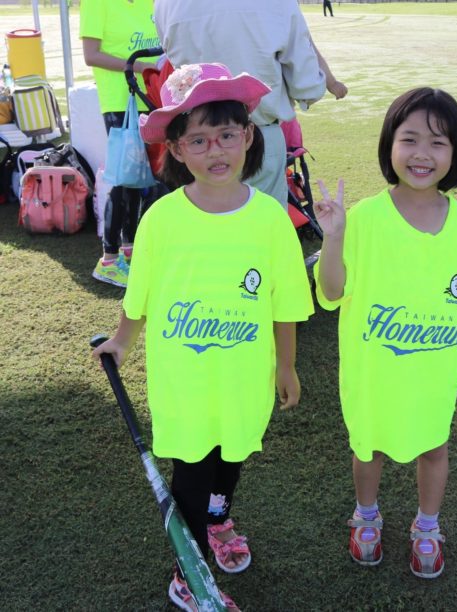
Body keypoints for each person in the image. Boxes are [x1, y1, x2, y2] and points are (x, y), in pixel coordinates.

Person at [92, 63, 314, 610]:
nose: (216, 150)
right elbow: (139, 292)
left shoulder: (269, 218)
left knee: (231, 455)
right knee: (191, 470)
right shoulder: (163, 219)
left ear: (249, 139)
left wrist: (286, 366)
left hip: (245, 376)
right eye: (198, 139)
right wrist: (122, 341)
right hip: (184, 378)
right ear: (176, 150)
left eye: (227, 135)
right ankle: (186, 572)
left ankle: (218, 520)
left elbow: (285, 303)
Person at [314, 88, 457, 579]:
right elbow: (330, 293)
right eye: (408, 139)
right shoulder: (364, 219)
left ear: (455, 153)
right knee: (367, 445)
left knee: (434, 444)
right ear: (388, 145)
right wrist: (334, 239)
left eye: (438, 143)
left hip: (434, 374)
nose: (421, 154)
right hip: (374, 374)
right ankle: (365, 514)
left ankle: (427, 526)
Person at [153, 0, 327, 208]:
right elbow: (307, 85)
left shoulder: (166, 3)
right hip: (258, 130)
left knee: (204, 223)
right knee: (264, 226)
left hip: (194, 140)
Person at [80, 0, 161, 287]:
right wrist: (138, 66)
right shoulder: (96, 4)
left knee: (144, 181)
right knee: (124, 178)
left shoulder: (153, 4)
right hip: (119, 102)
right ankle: (109, 260)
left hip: (153, 98)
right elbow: (91, 55)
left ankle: (131, 252)